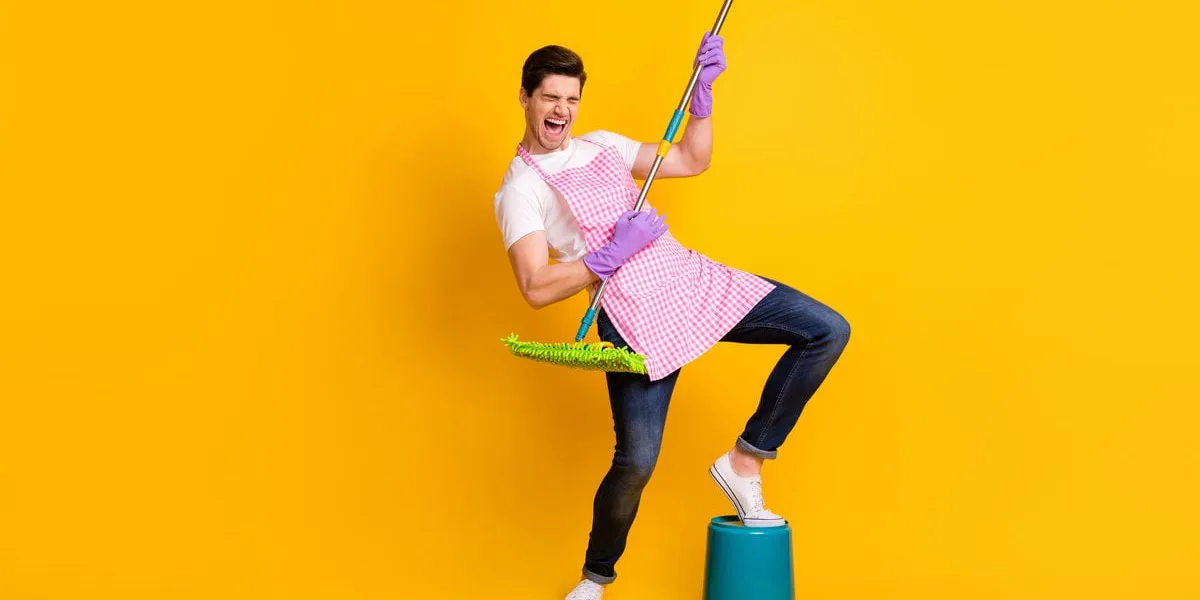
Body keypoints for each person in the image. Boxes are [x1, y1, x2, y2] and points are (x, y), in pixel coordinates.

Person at [493, 33, 851, 600]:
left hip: (688, 281)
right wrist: (608, 256)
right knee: (635, 462)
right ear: (525, 98)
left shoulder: (604, 146)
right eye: (549, 98)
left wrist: (705, 93)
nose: (561, 110)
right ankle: (594, 580)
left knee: (827, 329)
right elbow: (535, 287)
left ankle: (746, 460)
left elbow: (690, 159)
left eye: (571, 99)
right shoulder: (520, 190)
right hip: (632, 319)